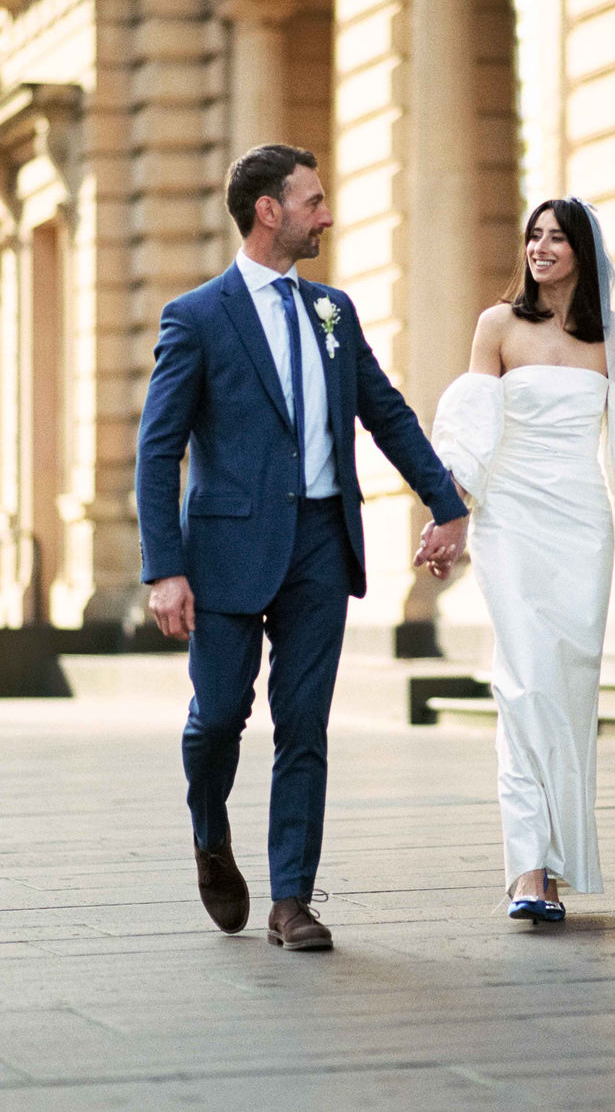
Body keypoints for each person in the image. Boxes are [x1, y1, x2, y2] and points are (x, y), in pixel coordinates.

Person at [136, 144, 468, 951]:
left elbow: (384, 412)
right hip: (224, 553)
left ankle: (291, 900)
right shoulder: (197, 316)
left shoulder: (334, 311)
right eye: (312, 201)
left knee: (304, 724)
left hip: (322, 541)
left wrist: (446, 503)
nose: (326, 214)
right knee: (217, 720)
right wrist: (164, 568)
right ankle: (210, 835)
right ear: (268, 211)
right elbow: (158, 449)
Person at [428, 198, 615, 923]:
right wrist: (448, 514)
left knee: (570, 685)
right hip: (509, 521)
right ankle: (526, 871)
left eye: (555, 237)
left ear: (581, 252)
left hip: (581, 524)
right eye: (533, 235)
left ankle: (559, 860)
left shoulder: (608, 338)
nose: (541, 247)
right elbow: (471, 431)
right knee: (521, 682)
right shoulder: (496, 326)